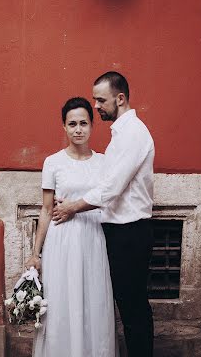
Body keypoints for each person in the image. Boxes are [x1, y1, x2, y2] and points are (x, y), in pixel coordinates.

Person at [53, 72, 155, 357]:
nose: (96, 106)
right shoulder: (121, 134)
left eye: (101, 100)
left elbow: (111, 189)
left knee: (133, 310)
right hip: (120, 232)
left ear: (120, 98)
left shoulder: (134, 133)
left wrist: (72, 207)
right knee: (128, 306)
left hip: (130, 232)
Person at [26, 96, 119, 357]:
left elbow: (109, 201)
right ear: (64, 127)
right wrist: (36, 253)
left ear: (91, 126)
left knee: (94, 300)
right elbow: (46, 209)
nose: (78, 129)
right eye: (72, 124)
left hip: (93, 237)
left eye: (84, 123)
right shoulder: (52, 163)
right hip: (61, 239)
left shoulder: (103, 163)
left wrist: (76, 205)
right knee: (61, 301)